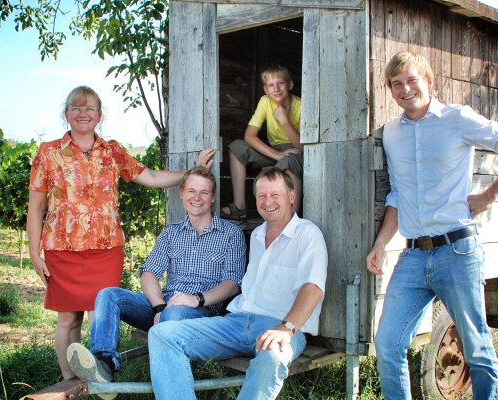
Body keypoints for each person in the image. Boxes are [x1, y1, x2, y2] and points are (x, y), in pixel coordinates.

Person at [366, 51, 498, 400]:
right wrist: (382, 243)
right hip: (413, 257)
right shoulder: (392, 134)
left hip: (458, 251)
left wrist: (488, 195)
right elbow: (398, 195)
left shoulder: (457, 119)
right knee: (387, 344)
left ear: (428, 81)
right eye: (396, 84)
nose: (404, 89)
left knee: (475, 345)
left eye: (411, 80)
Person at [27, 85, 215, 381]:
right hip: (62, 250)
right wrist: (34, 254)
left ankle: (100, 375)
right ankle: (71, 383)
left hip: (105, 249)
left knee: (100, 316)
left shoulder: (112, 152)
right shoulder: (48, 153)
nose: (83, 114)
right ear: (66, 115)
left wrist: (192, 173)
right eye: (76, 108)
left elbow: (150, 176)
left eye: (89, 109)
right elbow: (36, 208)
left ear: (99, 115)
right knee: (68, 321)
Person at [149, 167, 328, 400]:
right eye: (262, 196)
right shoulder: (256, 235)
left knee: (272, 357)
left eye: (275, 195)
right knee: (162, 333)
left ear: (291, 196)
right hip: (237, 322)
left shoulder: (307, 234)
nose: (268, 201)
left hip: (279, 327)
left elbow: (312, 287)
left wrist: (286, 329)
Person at [65, 166, 247, 391]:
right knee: (108, 295)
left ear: (213, 197)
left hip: (202, 311)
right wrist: (159, 307)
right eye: (191, 191)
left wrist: (196, 299)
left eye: (204, 192)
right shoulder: (171, 233)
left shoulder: (231, 234)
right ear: (181, 193)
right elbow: (149, 272)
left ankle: (171, 386)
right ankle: (105, 364)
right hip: (164, 305)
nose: (196, 198)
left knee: (175, 312)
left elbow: (232, 284)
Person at [221, 63, 304, 219]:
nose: (276, 89)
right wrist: (276, 155)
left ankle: (292, 217)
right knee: (237, 147)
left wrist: (284, 121)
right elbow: (249, 136)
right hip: (276, 151)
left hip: (296, 152)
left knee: (287, 163)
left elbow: (303, 146)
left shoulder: (300, 106)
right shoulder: (265, 101)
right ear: (266, 89)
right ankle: (239, 207)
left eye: (280, 83)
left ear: (290, 84)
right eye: (271, 85)